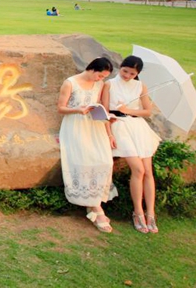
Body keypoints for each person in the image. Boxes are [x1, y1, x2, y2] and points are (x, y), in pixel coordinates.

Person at [57, 57, 118, 233]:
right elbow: (61, 108)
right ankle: (95, 208)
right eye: (100, 75)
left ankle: (94, 203)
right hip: (75, 124)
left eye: (104, 77)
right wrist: (78, 109)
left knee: (106, 161)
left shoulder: (100, 85)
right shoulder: (70, 83)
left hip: (95, 125)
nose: (101, 79)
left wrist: (109, 130)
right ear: (92, 69)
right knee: (85, 160)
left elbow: (101, 107)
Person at [102, 55, 162, 234]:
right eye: (125, 71)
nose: (127, 75)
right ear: (120, 67)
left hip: (137, 127)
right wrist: (109, 133)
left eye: (132, 73)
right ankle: (137, 211)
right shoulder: (109, 84)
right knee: (138, 170)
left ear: (138, 73)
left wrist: (128, 110)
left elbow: (147, 111)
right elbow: (105, 110)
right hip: (119, 126)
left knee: (148, 171)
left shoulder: (140, 86)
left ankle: (150, 212)